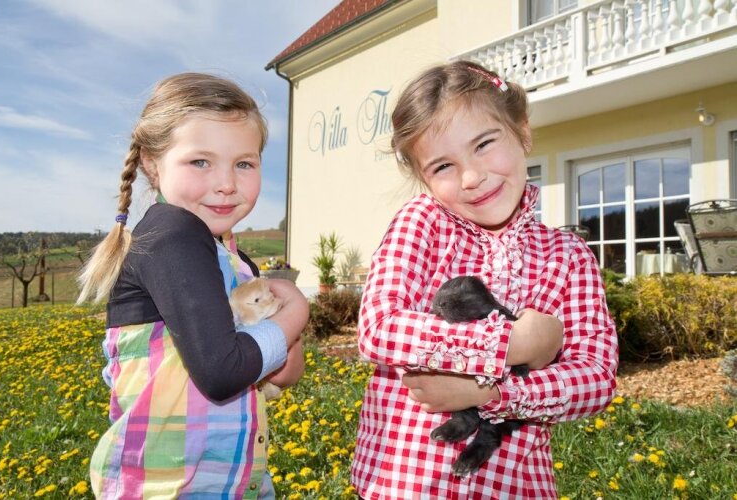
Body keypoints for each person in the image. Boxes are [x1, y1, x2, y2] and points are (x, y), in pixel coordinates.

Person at [352, 60, 618, 499]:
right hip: (406, 484)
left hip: (516, 486)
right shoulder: (423, 223)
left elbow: (595, 381)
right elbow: (378, 329)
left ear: (522, 133)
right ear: (422, 177)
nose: (472, 177)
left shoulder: (569, 257)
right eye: (443, 166)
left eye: (484, 144)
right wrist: (511, 344)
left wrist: (493, 392)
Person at [77, 73, 308, 499]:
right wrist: (296, 312)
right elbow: (223, 372)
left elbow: (283, 371)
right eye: (200, 162)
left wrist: (279, 336)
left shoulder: (234, 258)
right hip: (167, 486)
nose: (227, 183)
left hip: (230, 480)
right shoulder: (172, 238)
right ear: (152, 163)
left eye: (244, 164)